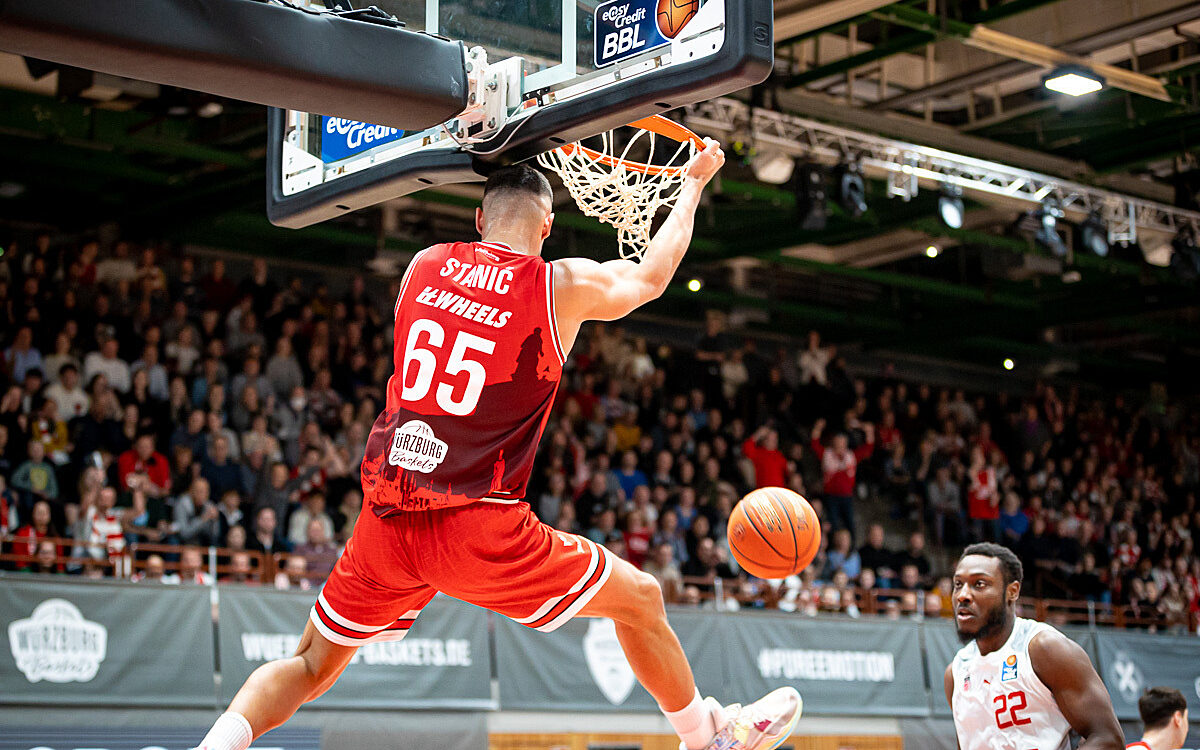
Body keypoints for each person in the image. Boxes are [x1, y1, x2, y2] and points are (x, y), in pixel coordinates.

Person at [195, 142, 802, 750]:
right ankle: (708, 738)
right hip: (478, 526)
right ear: (547, 226)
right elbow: (651, 276)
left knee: (309, 666)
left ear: (480, 218)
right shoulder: (557, 285)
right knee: (641, 599)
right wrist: (693, 182)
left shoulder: (423, 265)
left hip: (388, 517)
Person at [945, 543, 1123, 750]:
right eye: (958, 584)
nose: (962, 595)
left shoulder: (1044, 648)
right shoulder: (955, 673)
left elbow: (1108, 738)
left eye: (979, 584)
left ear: (1012, 591)